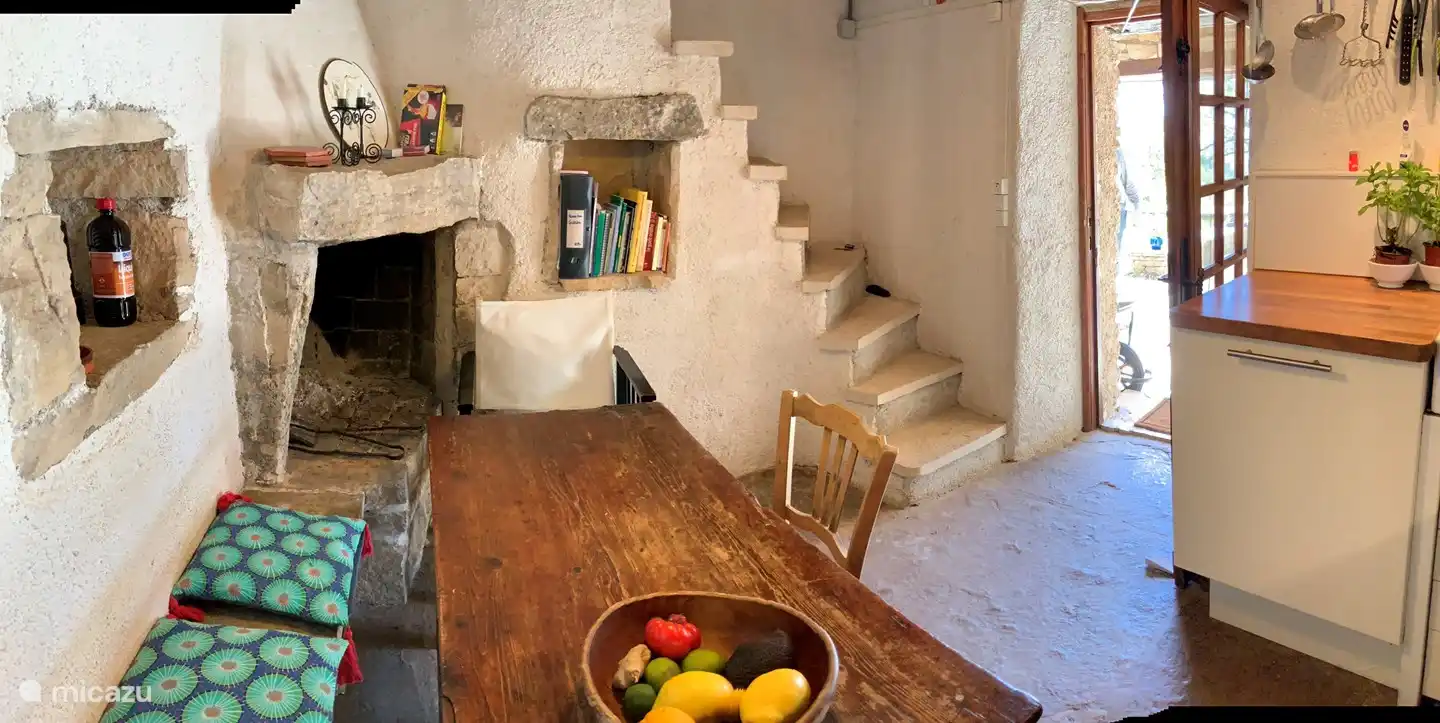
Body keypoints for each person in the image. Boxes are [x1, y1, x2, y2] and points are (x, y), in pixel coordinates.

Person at [1116, 144, 1141, 277]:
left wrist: (1136, 201)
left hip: (1120, 208)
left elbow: (1125, 179)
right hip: (1107, 208)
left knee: (1116, 247)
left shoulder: (1118, 152)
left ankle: (1114, 281)